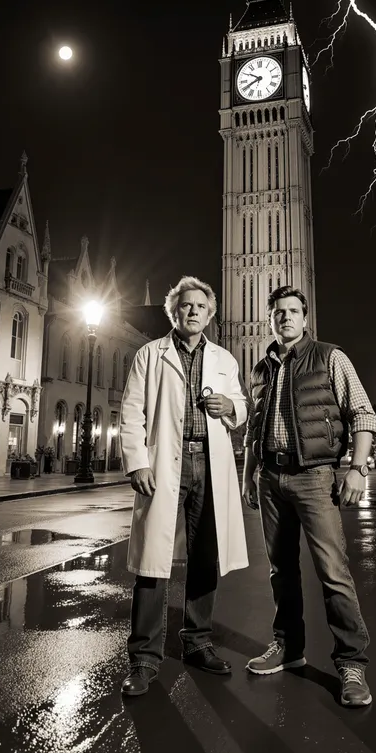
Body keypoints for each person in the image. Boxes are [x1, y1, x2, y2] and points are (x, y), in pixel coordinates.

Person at [242, 286, 376, 708]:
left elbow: (362, 413)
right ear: (270, 320)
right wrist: (249, 475)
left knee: (332, 571)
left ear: (305, 317)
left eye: (292, 311)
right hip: (270, 476)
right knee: (280, 570)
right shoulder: (261, 370)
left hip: (315, 477)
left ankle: (352, 664)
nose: (285, 318)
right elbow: (252, 429)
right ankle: (288, 645)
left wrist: (356, 467)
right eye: (278, 312)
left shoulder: (330, 357)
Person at [120, 275, 249, 696]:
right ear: (173, 312)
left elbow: (241, 408)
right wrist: (137, 462)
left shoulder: (225, 360)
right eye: (185, 305)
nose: (192, 311)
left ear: (210, 314)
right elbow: (131, 411)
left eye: (200, 306)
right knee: (152, 561)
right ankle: (143, 658)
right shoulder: (149, 355)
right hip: (162, 464)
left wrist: (231, 408)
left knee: (205, 555)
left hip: (209, 461)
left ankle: (197, 642)